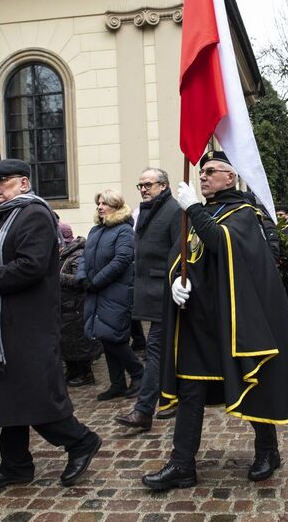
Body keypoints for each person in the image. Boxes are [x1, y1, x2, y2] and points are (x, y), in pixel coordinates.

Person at [144, 151, 288, 490]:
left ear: (230, 177)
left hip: (232, 323)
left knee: (251, 384)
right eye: (202, 171)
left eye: (211, 171)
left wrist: (192, 208)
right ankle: (182, 464)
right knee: (191, 389)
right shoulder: (201, 211)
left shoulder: (243, 214)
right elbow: (184, 255)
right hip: (197, 321)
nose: (203, 176)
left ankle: (268, 450)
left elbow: (221, 243)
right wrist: (175, 281)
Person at [0, 158, 101, 490]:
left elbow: (30, 267)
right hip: (4, 326)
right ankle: (15, 465)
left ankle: (80, 440)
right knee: (9, 397)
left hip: (27, 325)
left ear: (24, 183)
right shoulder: (1, 218)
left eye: (3, 180)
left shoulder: (34, 215)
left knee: (33, 396)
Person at [115, 168, 182, 432]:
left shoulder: (174, 210)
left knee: (155, 349)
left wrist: (176, 281)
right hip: (147, 291)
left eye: (148, 185)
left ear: (164, 186)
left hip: (165, 292)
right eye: (140, 185)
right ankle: (170, 398)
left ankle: (143, 411)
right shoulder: (145, 210)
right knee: (164, 350)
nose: (143, 189)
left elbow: (180, 252)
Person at [78, 189, 143, 401]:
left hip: (115, 291)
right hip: (96, 291)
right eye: (98, 203)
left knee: (115, 338)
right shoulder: (96, 230)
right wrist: (82, 277)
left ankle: (138, 373)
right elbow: (84, 258)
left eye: (104, 203)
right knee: (104, 337)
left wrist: (96, 281)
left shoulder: (123, 230)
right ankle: (117, 383)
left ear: (115, 206)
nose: (100, 207)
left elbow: (122, 259)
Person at [58, 223, 102, 387]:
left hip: (76, 306)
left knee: (79, 342)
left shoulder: (76, 254)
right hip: (65, 306)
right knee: (67, 342)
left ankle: (85, 374)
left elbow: (79, 280)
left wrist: (58, 277)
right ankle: (72, 371)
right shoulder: (62, 255)